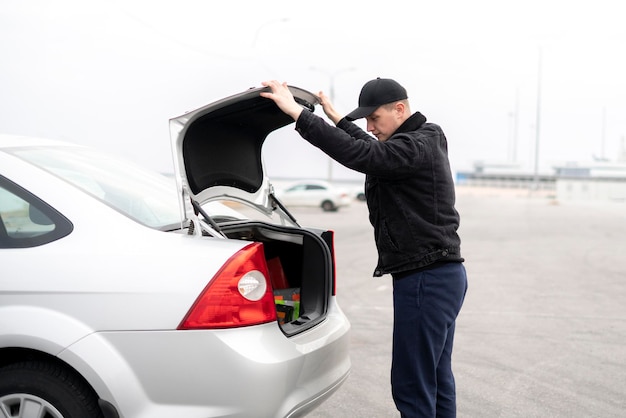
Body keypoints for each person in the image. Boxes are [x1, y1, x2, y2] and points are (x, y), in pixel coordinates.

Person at [261, 78, 468, 418]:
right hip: (439, 276)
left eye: (374, 119)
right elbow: (376, 151)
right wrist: (338, 120)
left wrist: (299, 115)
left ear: (399, 109)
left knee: (413, 384)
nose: (369, 127)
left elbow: (366, 155)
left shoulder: (418, 145)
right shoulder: (417, 142)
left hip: (426, 280)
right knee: (433, 377)